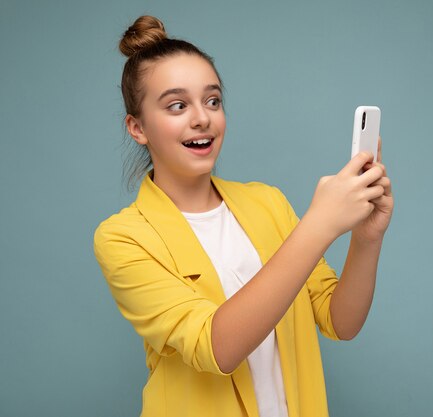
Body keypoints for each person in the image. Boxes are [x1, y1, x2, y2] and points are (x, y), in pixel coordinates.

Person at [93, 15, 394, 417]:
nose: (202, 118)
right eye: (177, 105)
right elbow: (217, 348)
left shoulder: (266, 202)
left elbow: (341, 321)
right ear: (137, 127)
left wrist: (366, 238)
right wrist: (319, 226)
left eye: (212, 100)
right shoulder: (123, 238)